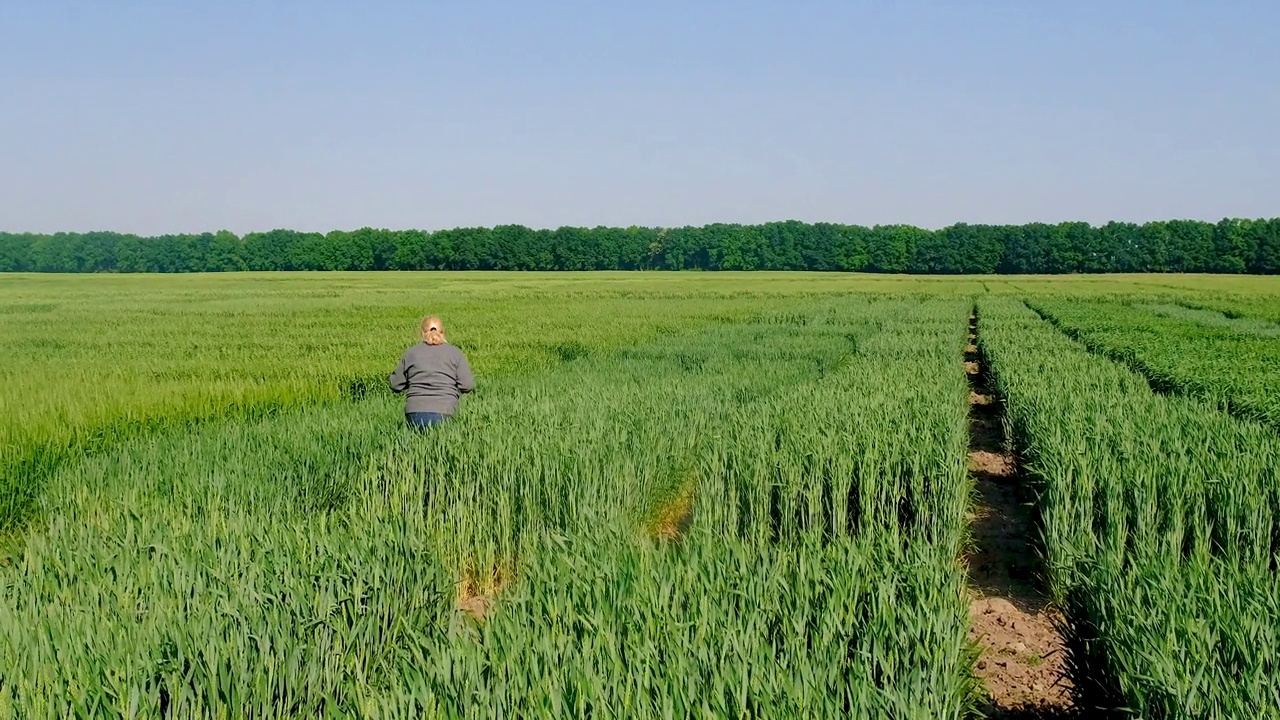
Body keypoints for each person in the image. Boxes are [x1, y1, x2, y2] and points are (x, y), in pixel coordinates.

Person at [388, 316, 475, 429]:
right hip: (446, 412)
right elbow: (467, 385)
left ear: (421, 333)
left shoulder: (411, 353)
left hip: (414, 412)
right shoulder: (455, 353)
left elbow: (395, 384)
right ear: (443, 332)